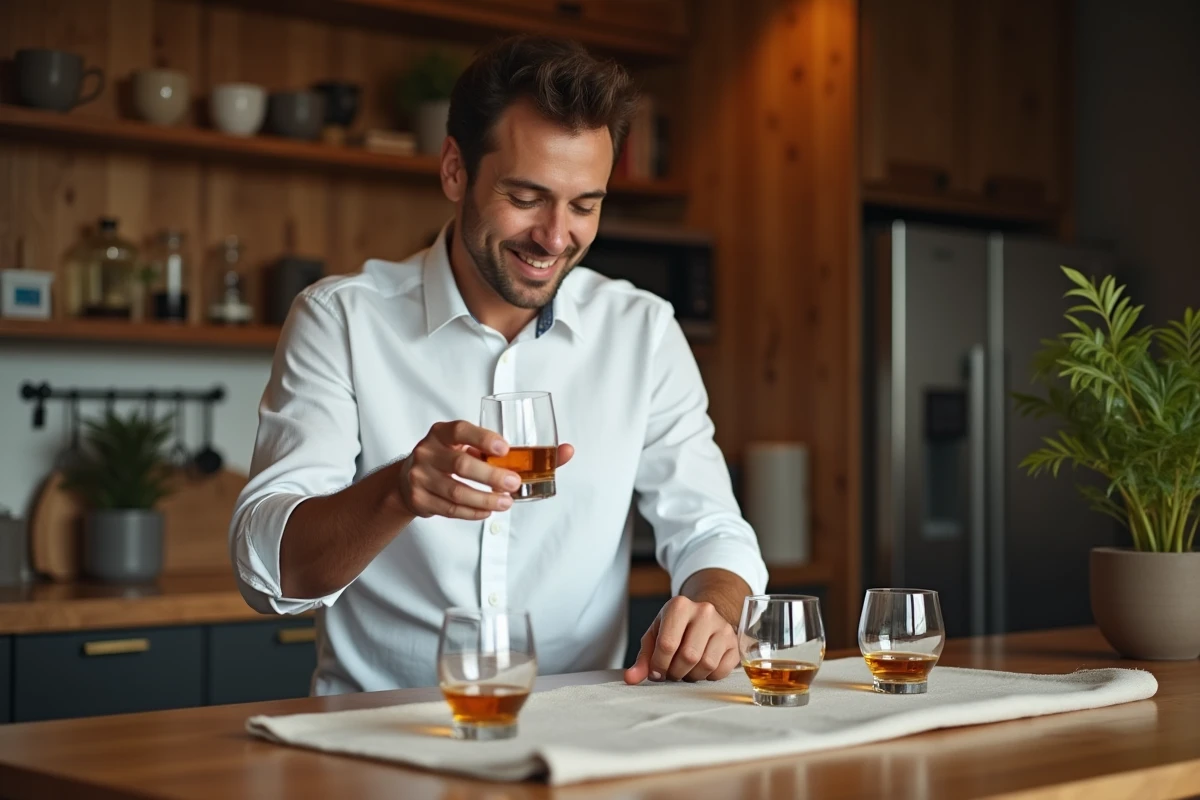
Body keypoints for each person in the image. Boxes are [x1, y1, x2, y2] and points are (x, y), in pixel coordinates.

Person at [229, 35, 767, 696]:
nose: (555, 236)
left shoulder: (643, 332)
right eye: (526, 196)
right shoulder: (341, 320)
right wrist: (400, 490)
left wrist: (713, 607)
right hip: (376, 743)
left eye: (585, 205)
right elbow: (267, 572)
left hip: (580, 740)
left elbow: (711, 528)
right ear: (455, 170)